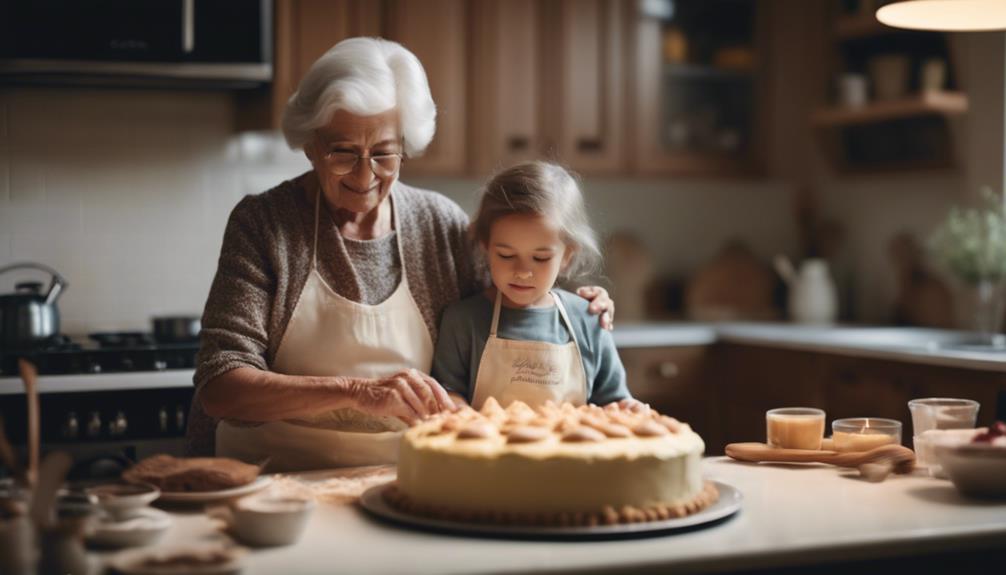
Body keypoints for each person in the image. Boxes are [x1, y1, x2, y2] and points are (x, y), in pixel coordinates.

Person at [187, 38, 615, 471]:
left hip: (405, 482)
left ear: (405, 147)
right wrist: (359, 393)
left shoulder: (441, 225)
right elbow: (221, 386)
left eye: (384, 153)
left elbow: (514, 308)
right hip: (273, 478)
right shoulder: (265, 223)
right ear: (310, 144)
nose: (364, 174)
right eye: (343, 152)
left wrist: (577, 307)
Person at [432, 161, 635, 410]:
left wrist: (629, 408)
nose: (523, 272)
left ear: (567, 255)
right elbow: (445, 392)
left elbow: (615, 401)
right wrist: (457, 410)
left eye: (540, 258)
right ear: (486, 246)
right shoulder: (463, 321)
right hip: (488, 448)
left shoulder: (589, 319)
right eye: (506, 255)